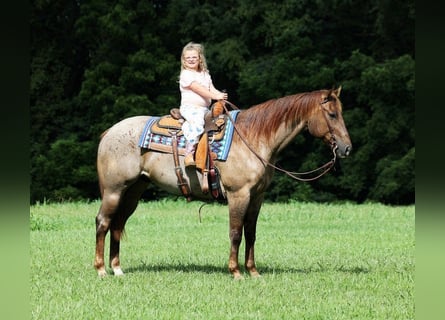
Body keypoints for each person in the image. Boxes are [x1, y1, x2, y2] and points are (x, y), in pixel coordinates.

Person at [179, 42, 228, 166]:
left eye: (194, 57)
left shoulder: (205, 74)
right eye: (188, 58)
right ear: (184, 60)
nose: (191, 60)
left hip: (204, 109)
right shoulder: (186, 74)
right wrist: (216, 96)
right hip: (190, 108)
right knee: (197, 123)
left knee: (218, 124)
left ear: (199, 58)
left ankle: (207, 150)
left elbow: (211, 88)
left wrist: (221, 97)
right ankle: (189, 153)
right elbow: (198, 88)